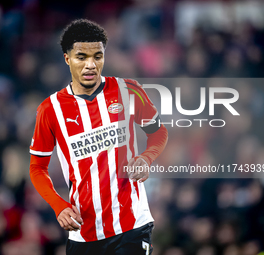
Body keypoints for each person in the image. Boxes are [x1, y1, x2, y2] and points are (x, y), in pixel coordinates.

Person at [29, 19, 168, 255]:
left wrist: (146, 158)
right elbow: (37, 168)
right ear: (67, 58)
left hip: (132, 225)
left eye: (98, 56)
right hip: (83, 232)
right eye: (81, 57)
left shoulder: (129, 90)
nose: (90, 65)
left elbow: (158, 132)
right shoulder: (50, 109)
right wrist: (59, 205)